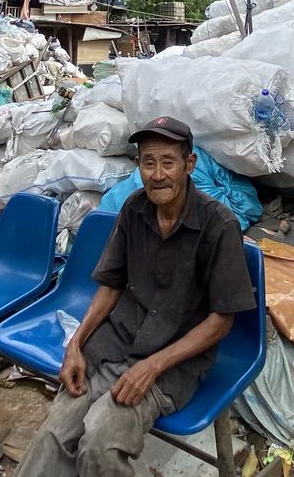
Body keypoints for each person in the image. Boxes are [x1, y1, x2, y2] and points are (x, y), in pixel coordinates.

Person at [16, 116, 255, 477]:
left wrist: (153, 366)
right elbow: (110, 285)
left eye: (168, 162)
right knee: (54, 434)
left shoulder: (218, 225)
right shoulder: (133, 209)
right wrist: (76, 345)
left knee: (99, 443)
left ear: (189, 165)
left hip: (172, 365)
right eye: (148, 162)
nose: (157, 174)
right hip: (113, 346)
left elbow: (221, 321)